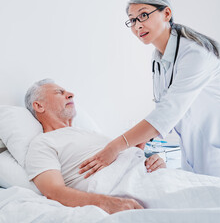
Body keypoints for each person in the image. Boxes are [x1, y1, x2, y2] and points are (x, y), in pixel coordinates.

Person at [79, 0, 220, 182]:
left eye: (143, 15)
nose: (137, 26)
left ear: (166, 13)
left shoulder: (195, 55)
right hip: (196, 159)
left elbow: (168, 111)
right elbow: (164, 110)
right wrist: (144, 140)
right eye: (132, 20)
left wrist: (115, 146)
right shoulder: (158, 58)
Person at [24, 79, 166, 214]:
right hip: (132, 191)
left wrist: (154, 162)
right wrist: (107, 204)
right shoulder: (42, 143)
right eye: (59, 92)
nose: (71, 94)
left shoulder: (91, 134)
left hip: (155, 178)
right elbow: (54, 192)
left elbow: (124, 159)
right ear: (39, 106)